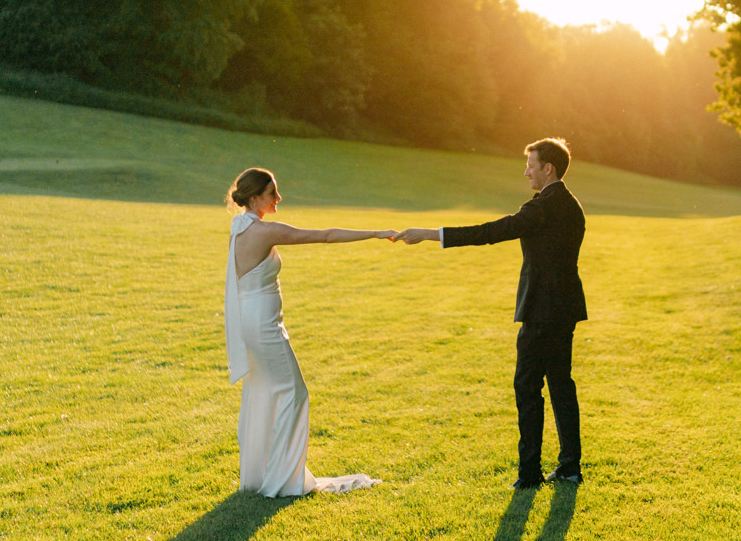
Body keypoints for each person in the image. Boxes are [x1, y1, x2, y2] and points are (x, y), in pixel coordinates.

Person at [394, 138, 587, 489]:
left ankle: (529, 474)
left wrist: (428, 234)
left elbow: (489, 233)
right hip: (566, 309)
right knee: (561, 385)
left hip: (541, 313)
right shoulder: (573, 206)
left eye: (531, 164)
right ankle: (570, 467)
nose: (526, 170)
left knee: (527, 388)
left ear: (549, 169)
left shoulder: (541, 208)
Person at [224, 167, 394, 497]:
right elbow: (325, 235)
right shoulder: (261, 231)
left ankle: (262, 476)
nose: (278, 198)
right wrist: (374, 233)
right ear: (256, 197)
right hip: (262, 324)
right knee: (294, 392)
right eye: (273, 192)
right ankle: (284, 480)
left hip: (255, 320)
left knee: (266, 391)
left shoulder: (241, 225)